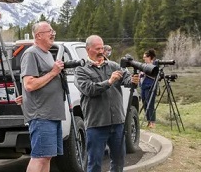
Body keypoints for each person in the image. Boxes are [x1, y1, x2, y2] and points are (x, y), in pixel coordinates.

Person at [74, 35, 139, 172]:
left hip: (117, 123)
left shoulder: (113, 65)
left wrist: (133, 80)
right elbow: (89, 89)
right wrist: (109, 81)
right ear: (88, 49)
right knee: (94, 163)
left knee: (119, 160)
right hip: (96, 124)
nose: (101, 51)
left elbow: (126, 80)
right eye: (97, 48)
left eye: (102, 48)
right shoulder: (81, 70)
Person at [20, 21, 66, 172]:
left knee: (47, 156)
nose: (53, 33)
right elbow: (30, 84)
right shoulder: (31, 53)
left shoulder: (47, 54)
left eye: (53, 31)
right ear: (38, 35)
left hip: (52, 114)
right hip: (41, 115)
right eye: (49, 31)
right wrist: (53, 72)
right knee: (39, 157)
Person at [140, 49, 157, 128]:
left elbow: (156, 76)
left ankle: (152, 122)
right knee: (145, 103)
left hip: (150, 86)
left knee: (150, 104)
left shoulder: (154, 65)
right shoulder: (143, 65)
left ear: (150, 57)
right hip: (143, 86)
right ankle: (148, 121)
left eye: (145, 57)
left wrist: (145, 73)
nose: (144, 58)